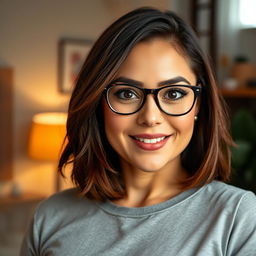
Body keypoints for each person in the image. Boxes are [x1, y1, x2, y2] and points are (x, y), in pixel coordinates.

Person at [20, 7, 256, 256]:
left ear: (198, 103)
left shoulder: (238, 217)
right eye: (126, 94)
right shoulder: (49, 217)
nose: (150, 118)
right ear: (98, 104)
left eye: (174, 94)